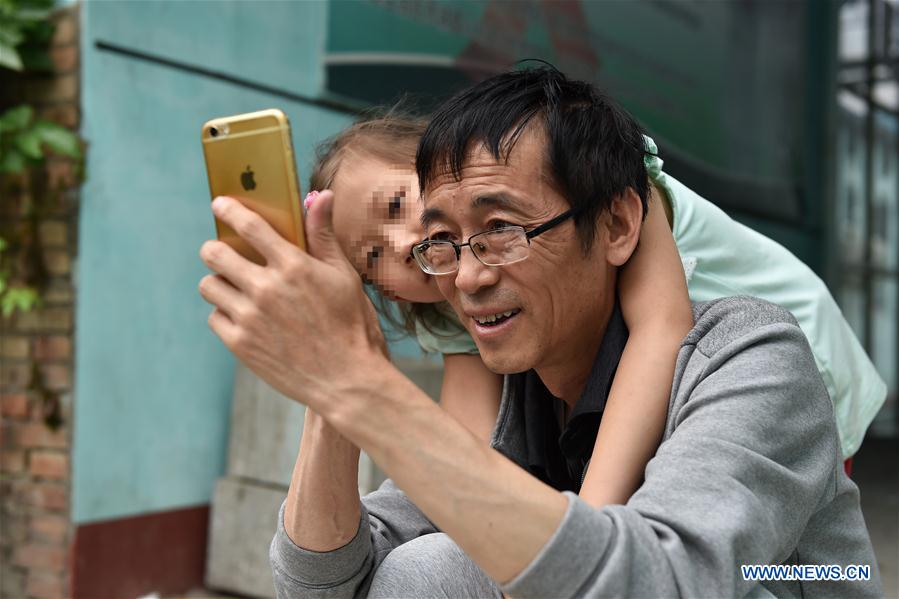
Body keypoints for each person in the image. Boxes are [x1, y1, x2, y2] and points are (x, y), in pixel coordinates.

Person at [198, 67, 882, 597]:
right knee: (437, 563)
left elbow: (658, 580)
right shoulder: (498, 366)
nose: (461, 272)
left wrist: (356, 382)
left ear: (616, 224)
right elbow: (330, 582)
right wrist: (332, 397)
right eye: (438, 243)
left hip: (809, 456)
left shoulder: (746, 348)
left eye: (499, 229)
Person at [306, 113, 692, 508]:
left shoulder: (598, 181)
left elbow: (660, 331)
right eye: (373, 257)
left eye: (395, 204)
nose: (401, 245)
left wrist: (586, 529)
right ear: (390, 295)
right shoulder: (460, 307)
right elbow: (471, 457)